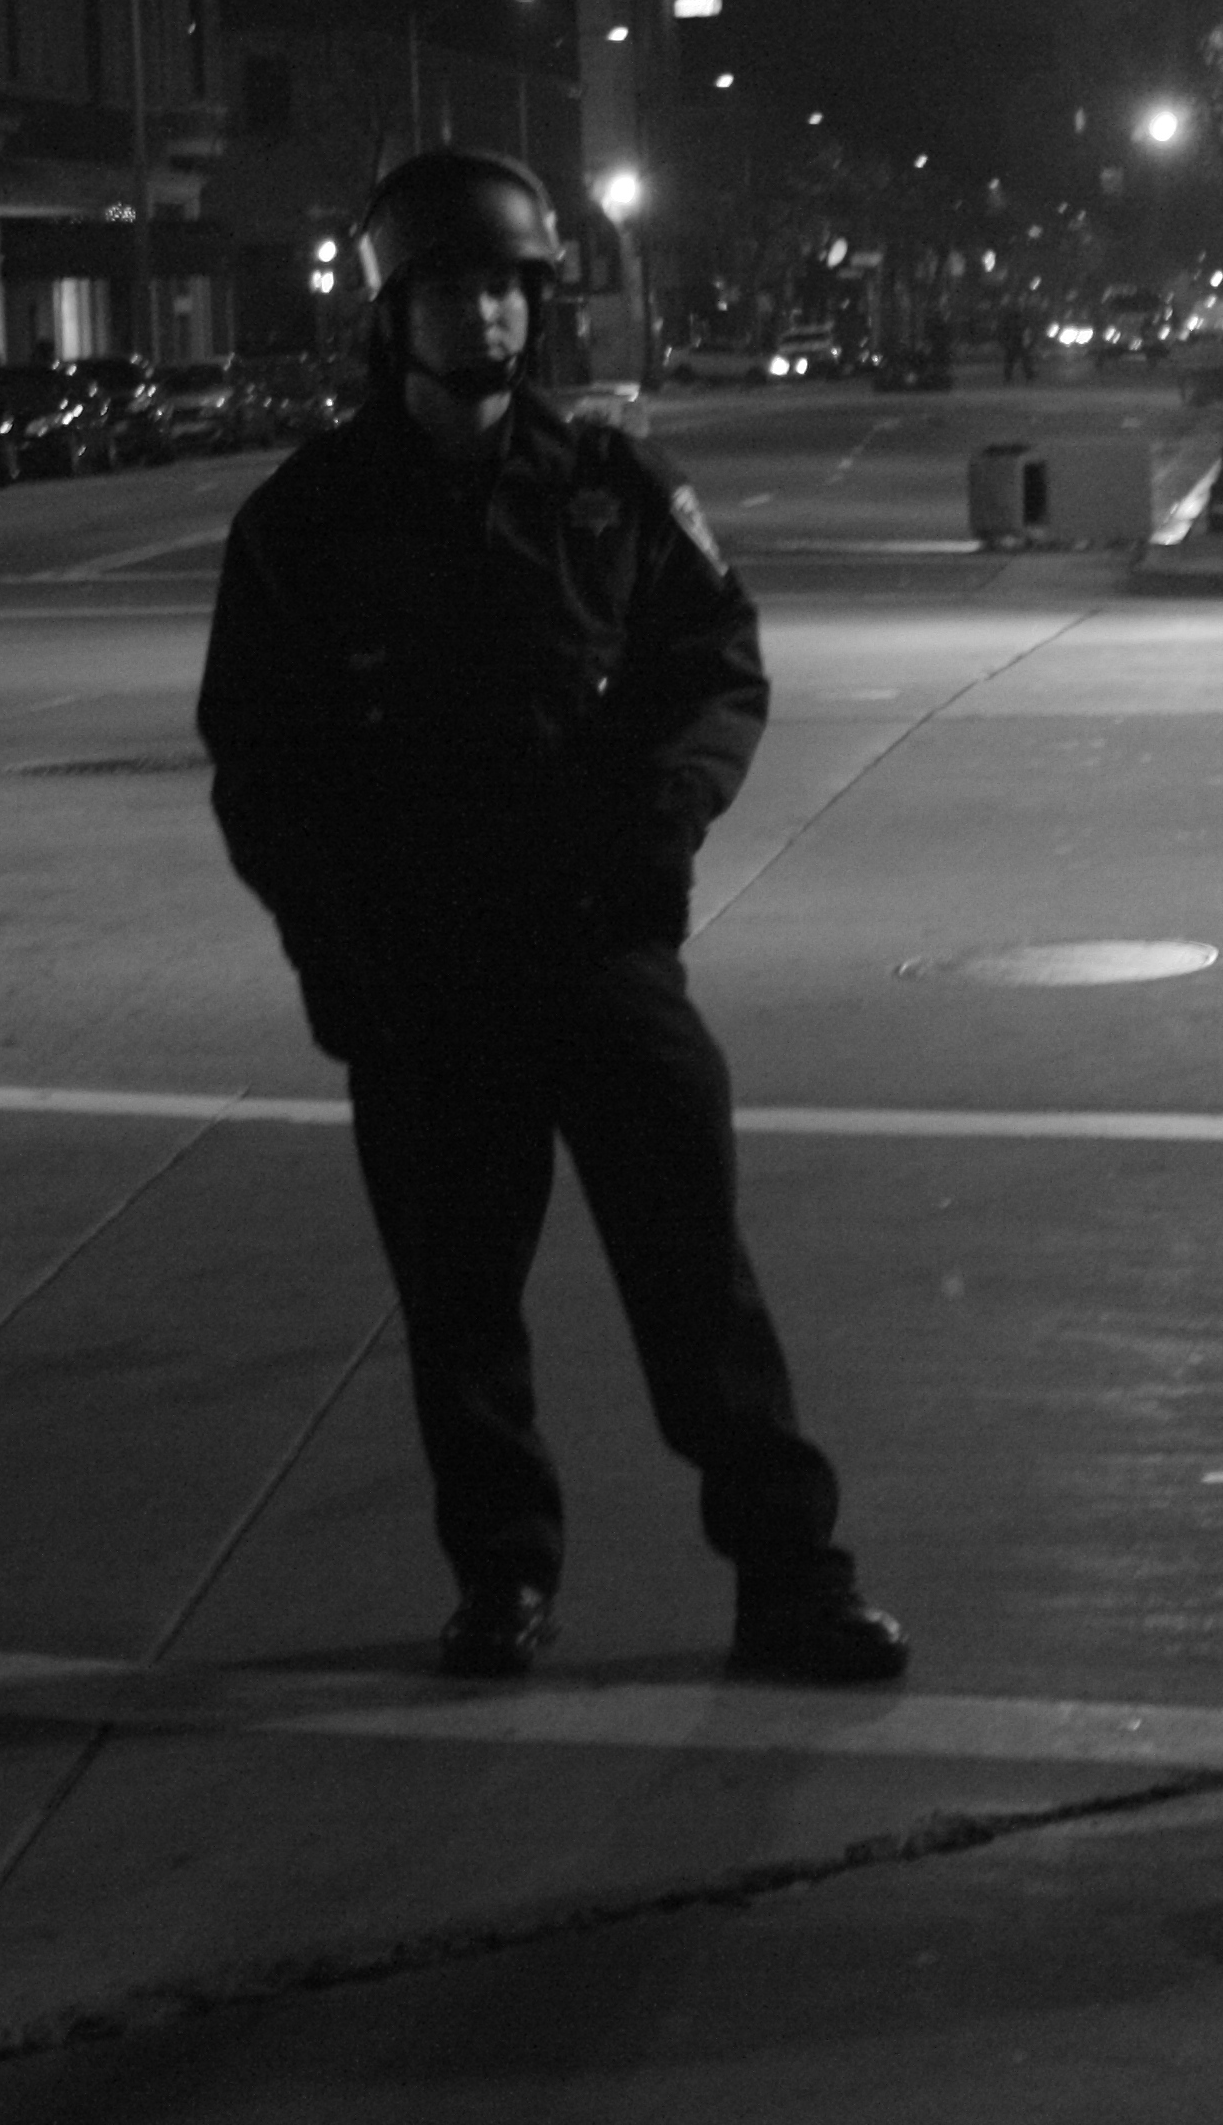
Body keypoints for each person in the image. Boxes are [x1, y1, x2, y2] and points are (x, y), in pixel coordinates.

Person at [197, 146, 906, 1687]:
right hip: (424, 979)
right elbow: (260, 764)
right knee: (460, 1318)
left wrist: (661, 825)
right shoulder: (307, 523)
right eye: (454, 291)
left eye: (513, 289)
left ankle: (792, 1576)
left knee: (697, 1289)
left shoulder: (611, 489)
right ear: (393, 315)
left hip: (596, 950)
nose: (491, 319)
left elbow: (716, 663)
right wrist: (340, 956)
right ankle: (503, 1579)